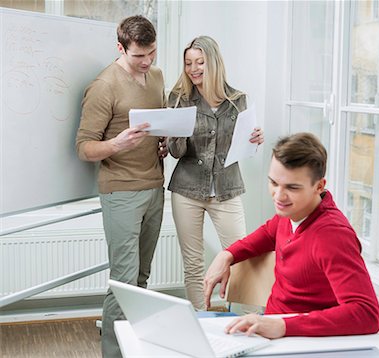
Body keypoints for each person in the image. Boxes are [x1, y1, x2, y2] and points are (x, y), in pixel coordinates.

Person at [204, 132, 379, 339]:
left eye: (292, 187)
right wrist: (227, 255)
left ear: (319, 186)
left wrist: (283, 326)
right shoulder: (291, 212)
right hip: (269, 329)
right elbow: (268, 233)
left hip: (298, 339)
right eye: (273, 183)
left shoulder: (333, 236)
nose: (279, 196)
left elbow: (367, 313)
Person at [75, 15, 166, 358]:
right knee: (124, 282)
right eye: (138, 56)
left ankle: (134, 349)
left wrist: (162, 141)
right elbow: (84, 147)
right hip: (121, 191)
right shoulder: (103, 86)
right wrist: (116, 145)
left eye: (152, 53)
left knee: (141, 280)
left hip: (155, 186)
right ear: (120, 48)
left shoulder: (156, 76)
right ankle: (113, 354)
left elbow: (157, 124)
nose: (146, 62)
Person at [167, 36, 264, 310]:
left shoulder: (237, 101)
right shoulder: (178, 98)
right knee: (193, 263)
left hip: (227, 188)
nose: (193, 69)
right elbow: (175, 152)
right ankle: (201, 319)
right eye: (188, 63)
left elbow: (244, 146)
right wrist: (176, 132)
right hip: (186, 190)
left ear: (214, 63)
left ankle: (239, 319)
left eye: (200, 62)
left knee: (241, 258)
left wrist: (255, 138)